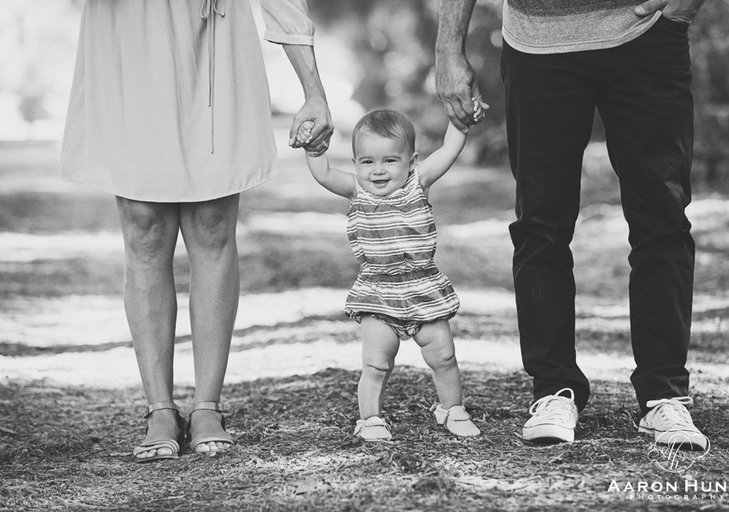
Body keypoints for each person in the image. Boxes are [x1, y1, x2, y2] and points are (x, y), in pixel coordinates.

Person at [61, 0, 333, 462]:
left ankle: (208, 405)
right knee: (145, 225)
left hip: (216, 36)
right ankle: (159, 409)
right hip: (129, 31)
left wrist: (313, 88)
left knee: (211, 223)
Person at [435, 0, 709, 449]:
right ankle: (554, 389)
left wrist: (683, 8)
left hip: (646, 35)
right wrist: (449, 49)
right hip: (536, 45)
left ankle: (664, 394)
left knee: (662, 217)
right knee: (540, 222)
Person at [296, 107, 486, 441]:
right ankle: (370, 418)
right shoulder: (357, 190)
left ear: (411, 162)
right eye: (367, 161)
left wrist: (460, 122)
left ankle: (452, 408)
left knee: (443, 355)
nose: (378, 170)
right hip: (377, 292)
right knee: (376, 363)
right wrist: (314, 150)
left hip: (422, 288)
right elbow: (324, 174)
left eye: (390, 160)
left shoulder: (418, 183)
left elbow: (449, 150)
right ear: (356, 164)